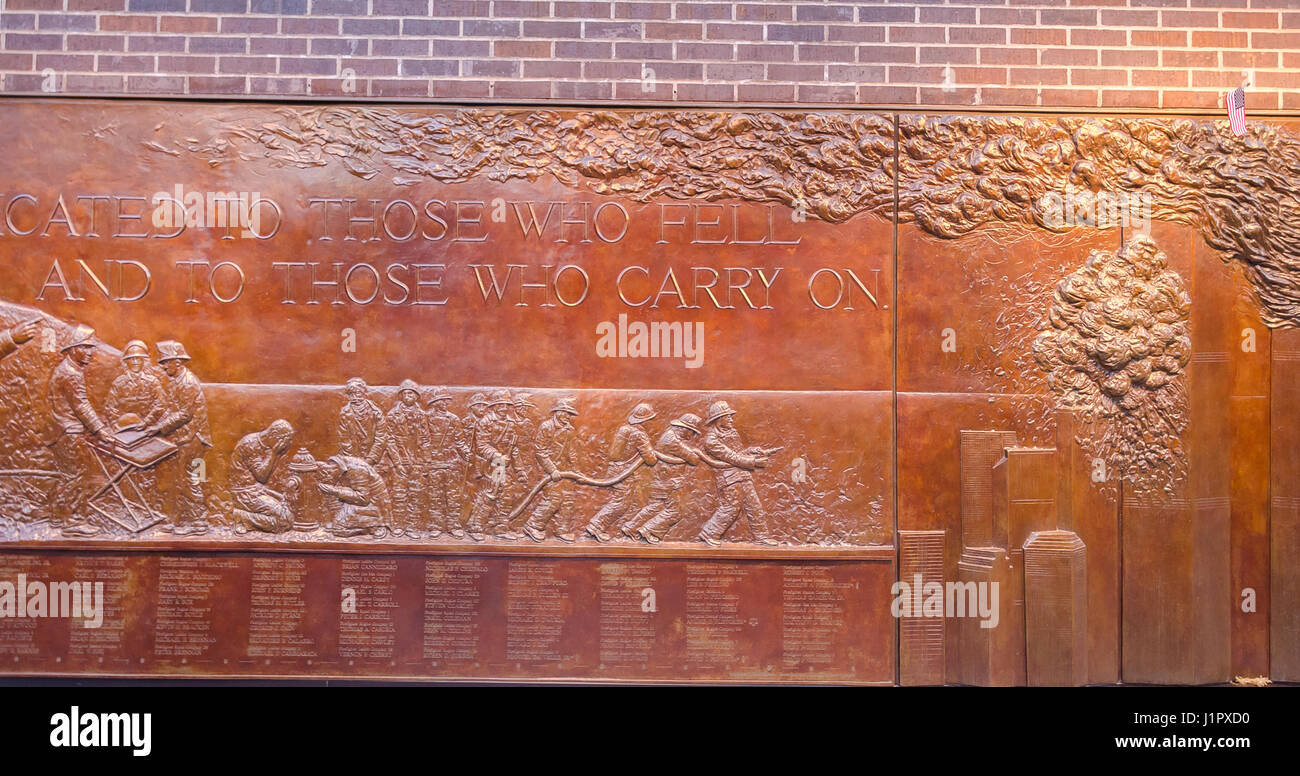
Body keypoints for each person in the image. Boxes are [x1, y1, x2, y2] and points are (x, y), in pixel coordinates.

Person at [46, 324, 112, 536]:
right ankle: (73, 521)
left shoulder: (67, 368)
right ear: (73, 348)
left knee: (67, 475)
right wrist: (100, 430)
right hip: (69, 432)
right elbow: (81, 405)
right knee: (77, 475)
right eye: (85, 347)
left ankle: (57, 515)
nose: (91, 352)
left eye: (92, 348)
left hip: (61, 430)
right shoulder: (71, 373)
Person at [145, 340, 212, 536]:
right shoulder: (176, 381)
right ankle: (182, 518)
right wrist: (152, 425)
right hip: (183, 438)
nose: (163, 366)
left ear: (177, 362)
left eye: (166, 362)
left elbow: (185, 415)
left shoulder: (187, 382)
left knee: (190, 479)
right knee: (181, 479)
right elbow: (171, 410)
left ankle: (199, 522)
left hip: (193, 440)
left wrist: (158, 428)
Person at [697, 401, 776, 546]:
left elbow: (737, 454)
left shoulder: (732, 433)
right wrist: (755, 462)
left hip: (743, 474)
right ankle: (709, 533)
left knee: (754, 505)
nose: (731, 420)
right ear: (719, 419)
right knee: (732, 506)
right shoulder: (711, 441)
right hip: (728, 478)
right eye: (728, 417)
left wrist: (752, 451)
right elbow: (731, 457)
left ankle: (761, 536)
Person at [583, 402, 658, 543]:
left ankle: (631, 529)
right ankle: (596, 526)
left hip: (615, 470)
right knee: (621, 503)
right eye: (650, 420)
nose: (651, 423)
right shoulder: (640, 435)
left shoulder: (624, 429)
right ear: (645, 420)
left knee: (635, 502)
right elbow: (651, 459)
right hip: (625, 474)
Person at [626, 413, 706, 544]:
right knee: (676, 512)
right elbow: (693, 459)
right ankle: (648, 530)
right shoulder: (673, 441)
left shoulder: (670, 435)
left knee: (655, 506)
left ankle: (631, 527)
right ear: (684, 428)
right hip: (669, 482)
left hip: (661, 480)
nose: (692, 436)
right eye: (692, 432)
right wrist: (694, 453)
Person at [521, 397, 580, 543]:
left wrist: (576, 470)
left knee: (568, 500)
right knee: (553, 499)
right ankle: (533, 525)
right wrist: (552, 469)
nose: (567, 416)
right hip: (548, 471)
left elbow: (572, 451)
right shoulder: (546, 426)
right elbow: (540, 451)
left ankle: (562, 529)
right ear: (557, 412)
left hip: (565, 471)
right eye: (564, 412)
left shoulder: (570, 430)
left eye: (569, 413)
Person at [229, 419, 295, 534]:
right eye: (283, 440)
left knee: (289, 514)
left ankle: (246, 519)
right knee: (284, 521)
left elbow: (264, 478)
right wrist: (275, 453)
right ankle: (241, 516)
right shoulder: (250, 444)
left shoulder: (264, 444)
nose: (285, 445)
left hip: (256, 489)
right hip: (244, 493)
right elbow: (262, 477)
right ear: (274, 435)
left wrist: (278, 454)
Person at [383, 379, 428, 538]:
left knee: (415, 495)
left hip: (417, 462)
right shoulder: (392, 415)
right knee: (399, 495)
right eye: (406, 393)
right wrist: (398, 462)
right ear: (401, 396)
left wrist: (425, 462)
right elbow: (389, 439)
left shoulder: (422, 415)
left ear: (416, 396)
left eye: (412, 393)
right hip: (399, 462)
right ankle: (399, 525)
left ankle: (412, 527)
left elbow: (426, 438)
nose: (408, 396)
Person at [424, 387, 468, 538]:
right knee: (435, 495)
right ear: (435, 402)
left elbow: (460, 441)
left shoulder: (454, 419)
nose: (444, 403)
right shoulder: (426, 418)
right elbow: (422, 440)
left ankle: (453, 525)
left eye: (446, 400)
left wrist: (466, 453)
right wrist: (427, 456)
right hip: (434, 463)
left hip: (451, 462)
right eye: (441, 400)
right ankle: (436, 525)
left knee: (453, 496)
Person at [316, 454, 392, 539]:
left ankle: (373, 527)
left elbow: (363, 498)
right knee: (336, 525)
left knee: (339, 529)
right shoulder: (337, 466)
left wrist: (334, 491)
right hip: (353, 499)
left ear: (332, 470)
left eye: (328, 475)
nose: (328, 478)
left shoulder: (357, 470)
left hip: (372, 504)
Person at [104, 339, 166, 430]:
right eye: (132, 359)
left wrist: (146, 422)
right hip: (124, 428)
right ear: (126, 361)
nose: (135, 362)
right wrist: (115, 425)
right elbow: (110, 408)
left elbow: (161, 405)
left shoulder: (153, 382)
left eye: (138, 359)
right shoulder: (118, 383)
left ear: (143, 361)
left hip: (148, 428)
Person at [338, 377, 387, 465]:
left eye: (358, 393)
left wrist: (371, 459)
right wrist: (352, 461)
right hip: (351, 461)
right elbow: (344, 439)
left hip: (374, 460)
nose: (355, 397)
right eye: (351, 394)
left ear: (364, 393)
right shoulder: (345, 413)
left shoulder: (376, 412)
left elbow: (381, 437)